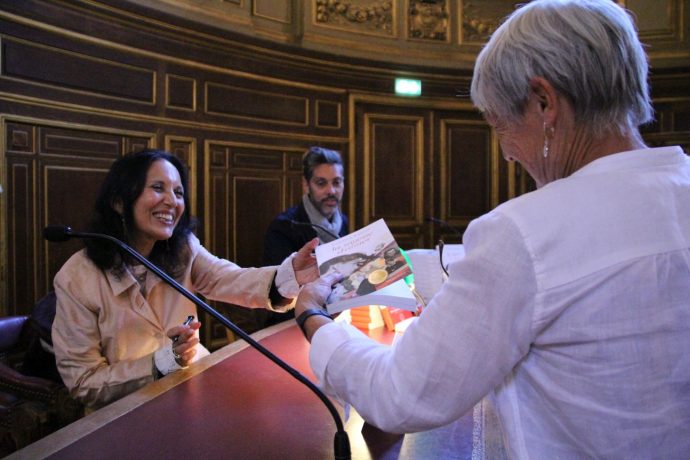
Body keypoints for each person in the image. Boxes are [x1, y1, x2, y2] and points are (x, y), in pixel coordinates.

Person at [293, 1, 690, 458]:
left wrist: (314, 320)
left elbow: (399, 393)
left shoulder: (525, 231)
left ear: (544, 103)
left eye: (500, 125)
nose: (506, 155)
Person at [51, 149, 318, 412]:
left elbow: (228, 278)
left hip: (193, 395)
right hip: (123, 418)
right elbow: (84, 382)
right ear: (120, 201)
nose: (172, 202)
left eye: (178, 193)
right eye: (158, 188)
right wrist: (165, 361)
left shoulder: (184, 248)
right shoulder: (76, 277)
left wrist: (291, 273)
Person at [250, 146, 349, 329]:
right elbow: (278, 294)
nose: (331, 191)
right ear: (306, 184)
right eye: (321, 183)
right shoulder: (284, 227)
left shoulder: (343, 221)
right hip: (292, 324)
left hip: (336, 318)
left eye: (337, 182)